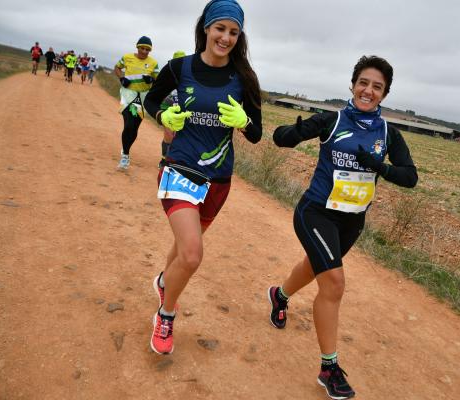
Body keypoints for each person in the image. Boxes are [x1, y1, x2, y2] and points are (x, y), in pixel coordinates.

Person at [267, 55, 418, 399]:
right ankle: (329, 367)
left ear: (384, 94)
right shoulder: (331, 120)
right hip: (316, 212)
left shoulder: (387, 134)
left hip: (352, 221)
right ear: (352, 85)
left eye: (377, 86)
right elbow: (281, 139)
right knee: (333, 283)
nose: (368, 90)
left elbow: (410, 177)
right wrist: (296, 131)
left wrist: (379, 166)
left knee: (315, 267)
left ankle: (280, 295)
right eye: (363, 83)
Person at [143, 0, 262, 355]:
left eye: (234, 32)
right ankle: (166, 315)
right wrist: (165, 116)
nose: (226, 37)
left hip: (219, 179)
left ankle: (165, 282)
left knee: (183, 248)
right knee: (193, 254)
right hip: (178, 168)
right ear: (206, 28)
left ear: (239, 37)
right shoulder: (179, 68)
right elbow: (151, 102)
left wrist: (243, 122)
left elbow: (256, 133)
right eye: (220, 28)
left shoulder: (244, 79)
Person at [114, 36, 159, 170]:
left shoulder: (153, 63)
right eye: (142, 48)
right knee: (128, 124)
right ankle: (125, 156)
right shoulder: (127, 57)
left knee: (134, 128)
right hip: (128, 94)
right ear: (137, 47)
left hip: (143, 96)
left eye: (147, 49)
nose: (144, 51)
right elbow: (117, 68)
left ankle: (125, 148)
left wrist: (150, 79)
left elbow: (157, 80)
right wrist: (122, 78)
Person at [157, 50, 186, 168]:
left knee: (179, 138)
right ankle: (164, 160)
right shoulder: (167, 77)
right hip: (168, 109)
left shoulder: (190, 78)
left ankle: (177, 161)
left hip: (183, 114)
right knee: (168, 135)